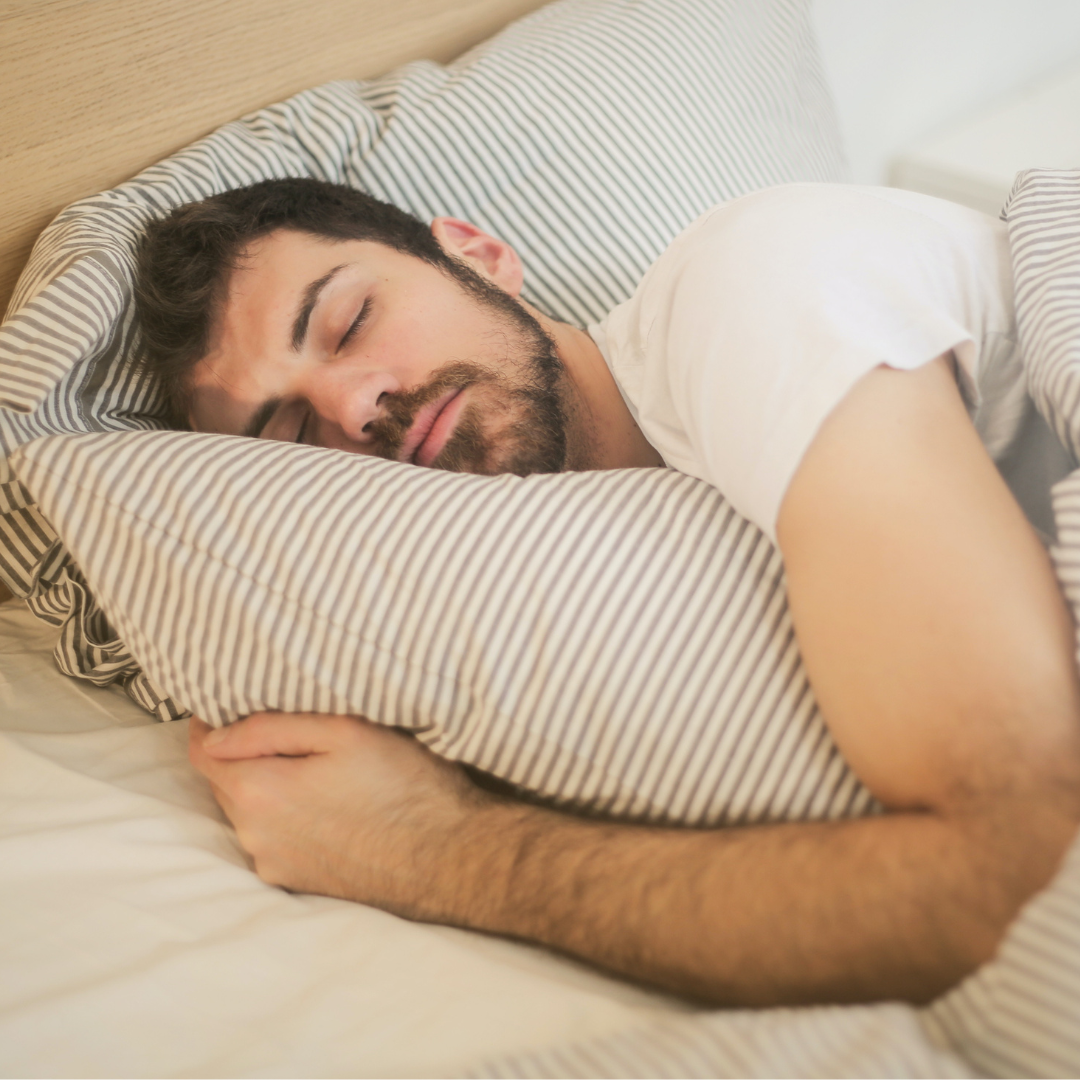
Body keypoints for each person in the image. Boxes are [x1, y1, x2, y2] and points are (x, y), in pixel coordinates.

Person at [137, 177, 1080, 1007]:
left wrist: (430, 849)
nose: (354, 408)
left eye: (349, 323)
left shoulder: (750, 295)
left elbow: (1018, 875)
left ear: (478, 255)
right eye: (296, 432)